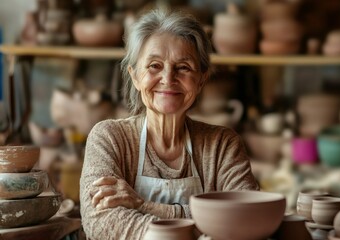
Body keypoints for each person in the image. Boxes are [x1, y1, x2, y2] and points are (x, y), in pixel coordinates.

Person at [79, 9, 259, 240]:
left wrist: (144, 205)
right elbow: (102, 223)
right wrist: (203, 225)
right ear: (134, 76)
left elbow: (247, 218)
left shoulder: (222, 145)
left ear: (202, 79)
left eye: (183, 67)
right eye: (154, 65)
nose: (168, 79)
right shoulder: (110, 138)